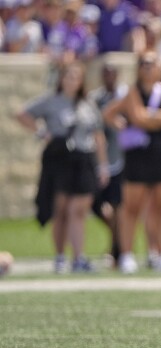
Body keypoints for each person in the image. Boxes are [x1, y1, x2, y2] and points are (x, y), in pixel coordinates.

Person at [16, 61, 109, 273]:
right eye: (68, 76)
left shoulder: (88, 103)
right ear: (61, 79)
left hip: (84, 158)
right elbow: (23, 114)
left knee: (78, 210)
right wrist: (41, 132)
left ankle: (78, 257)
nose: (72, 80)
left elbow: (98, 136)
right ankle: (60, 256)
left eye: (76, 77)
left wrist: (103, 166)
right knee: (61, 210)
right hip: (60, 159)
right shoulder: (51, 101)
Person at [102, 51, 161, 274]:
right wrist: (135, 122)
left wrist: (150, 118)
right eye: (144, 64)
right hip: (138, 155)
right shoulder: (133, 92)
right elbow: (123, 115)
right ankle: (128, 255)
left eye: (153, 64)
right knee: (132, 207)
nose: (148, 67)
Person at [88, 63, 128, 269]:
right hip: (100, 161)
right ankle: (116, 244)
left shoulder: (126, 96)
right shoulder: (96, 98)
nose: (109, 78)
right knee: (97, 206)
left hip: (122, 159)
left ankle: (118, 250)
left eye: (112, 74)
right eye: (106, 74)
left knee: (119, 207)